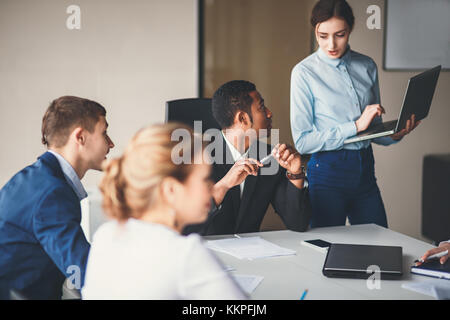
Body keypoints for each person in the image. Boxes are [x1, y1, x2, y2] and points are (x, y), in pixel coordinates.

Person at [290, 0, 420, 228]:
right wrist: (355, 126)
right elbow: (303, 142)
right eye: (323, 36)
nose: (331, 44)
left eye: (339, 34)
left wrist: (395, 134)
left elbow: (373, 130)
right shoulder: (303, 73)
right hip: (327, 173)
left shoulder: (367, 65)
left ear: (350, 29)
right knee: (326, 249)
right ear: (315, 31)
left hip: (365, 170)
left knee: (380, 245)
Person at [81, 123, 246, 299]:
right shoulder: (186, 254)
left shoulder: (105, 236)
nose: (211, 187)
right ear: (171, 190)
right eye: (205, 179)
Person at [0, 96, 115, 299]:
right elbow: (80, 271)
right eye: (104, 133)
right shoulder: (51, 192)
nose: (111, 143)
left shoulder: (36, 178)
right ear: (80, 137)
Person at [183, 80, 311, 236]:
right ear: (243, 118)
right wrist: (223, 185)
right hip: (205, 254)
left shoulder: (269, 158)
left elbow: (297, 223)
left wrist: (296, 173)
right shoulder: (196, 159)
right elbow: (185, 229)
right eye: (262, 107)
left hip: (251, 254)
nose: (269, 113)